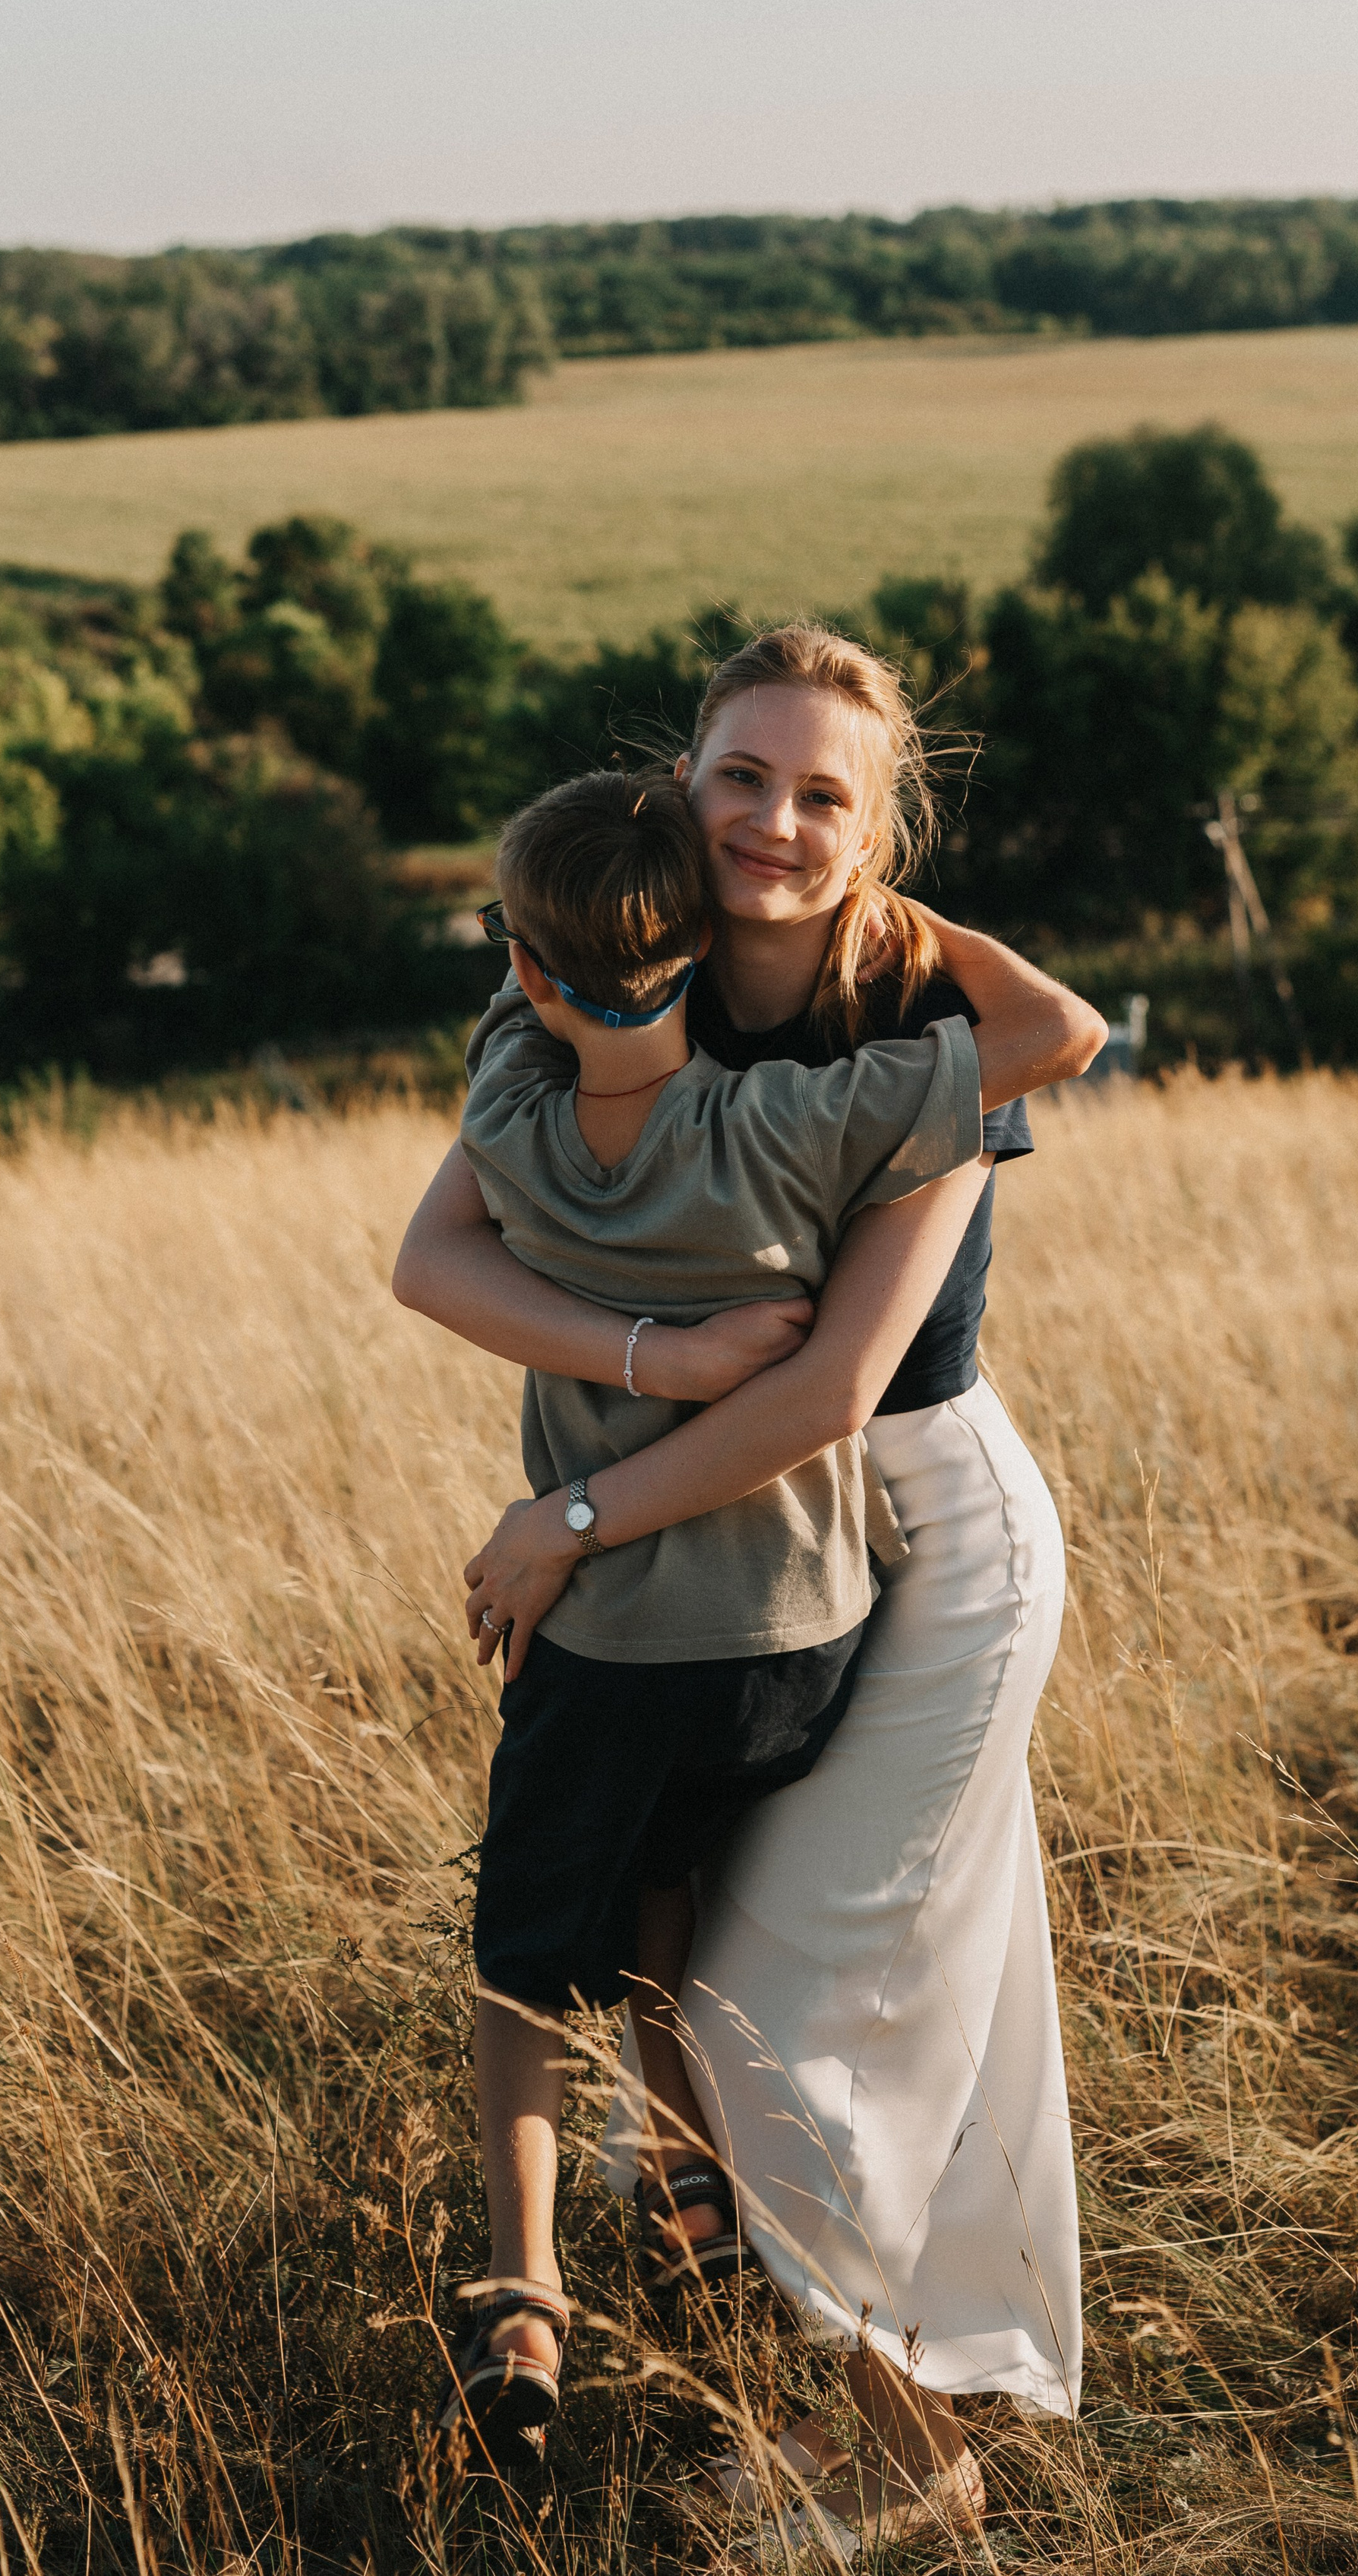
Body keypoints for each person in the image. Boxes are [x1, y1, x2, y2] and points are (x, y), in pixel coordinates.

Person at [393, 622, 1107, 2553]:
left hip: (927, 1548)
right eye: (739, 776)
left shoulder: (906, 1040)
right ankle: (881, 2378)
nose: (771, 823)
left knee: (784, 1990)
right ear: (675, 780)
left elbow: (830, 1390)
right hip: (738, 1550)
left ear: (881, 833)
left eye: (824, 794)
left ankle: (906, 2448)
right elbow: (439, 1256)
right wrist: (634, 1363)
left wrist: (567, 1524)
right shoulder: (619, 989)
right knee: (759, 1974)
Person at [434, 762, 992, 2454]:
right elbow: (1045, 1040)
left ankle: (523, 2298)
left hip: (605, 1636)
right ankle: (687, 2207)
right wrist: (848, 883)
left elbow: (489, 1102)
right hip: (793, 1643)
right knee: (671, 1907)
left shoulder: (507, 1104)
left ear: (528, 974)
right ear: (689, 954)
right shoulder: (794, 1122)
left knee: (524, 1972)